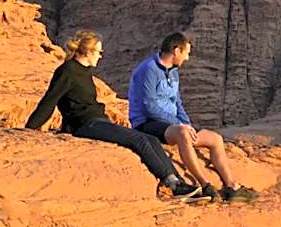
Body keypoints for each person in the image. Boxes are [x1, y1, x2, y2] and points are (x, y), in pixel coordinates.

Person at [25, 30, 203, 202]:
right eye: (99, 51)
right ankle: (173, 185)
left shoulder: (84, 71)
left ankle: (179, 182)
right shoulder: (67, 71)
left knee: (151, 139)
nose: (100, 56)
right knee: (138, 141)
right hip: (85, 125)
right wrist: (30, 129)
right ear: (88, 51)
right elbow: (50, 100)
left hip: (98, 121)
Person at [128, 32, 257, 203]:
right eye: (186, 52)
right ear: (176, 50)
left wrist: (186, 123)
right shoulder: (148, 70)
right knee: (183, 133)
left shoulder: (173, 71)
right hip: (147, 124)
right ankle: (205, 185)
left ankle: (231, 187)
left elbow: (177, 102)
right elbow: (149, 106)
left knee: (215, 139)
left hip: (172, 126)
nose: (187, 58)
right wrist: (179, 125)